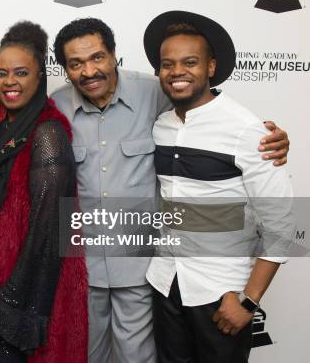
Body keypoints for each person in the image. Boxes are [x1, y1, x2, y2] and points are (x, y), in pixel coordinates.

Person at [50, 18, 290, 363]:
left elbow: (281, 219)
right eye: (76, 64)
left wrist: (268, 138)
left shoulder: (159, 94)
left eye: (98, 57)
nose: (89, 70)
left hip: (164, 273)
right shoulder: (58, 107)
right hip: (109, 270)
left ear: (115, 55)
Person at [143, 10, 295, 363]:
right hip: (165, 282)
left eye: (190, 62)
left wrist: (248, 301)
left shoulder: (248, 130)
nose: (177, 71)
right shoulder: (161, 125)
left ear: (211, 67)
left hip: (221, 293)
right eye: (168, 64)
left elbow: (282, 223)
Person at [0, 21, 88, 363]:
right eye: (1, 73)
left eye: (21, 72)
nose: (10, 81)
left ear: (39, 77)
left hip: (23, 299)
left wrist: (11, 305)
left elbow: (47, 232)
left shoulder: (47, 135)